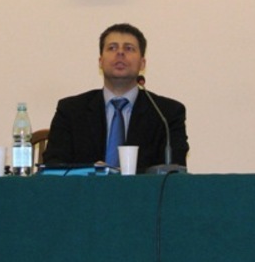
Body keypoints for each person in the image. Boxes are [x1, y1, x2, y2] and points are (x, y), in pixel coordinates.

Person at [43, 23, 189, 172]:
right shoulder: (71, 111)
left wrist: (122, 175)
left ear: (142, 63)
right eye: (112, 48)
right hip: (86, 187)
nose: (120, 53)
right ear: (100, 62)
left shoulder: (166, 114)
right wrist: (91, 171)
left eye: (129, 48)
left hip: (143, 188)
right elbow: (53, 165)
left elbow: (174, 169)